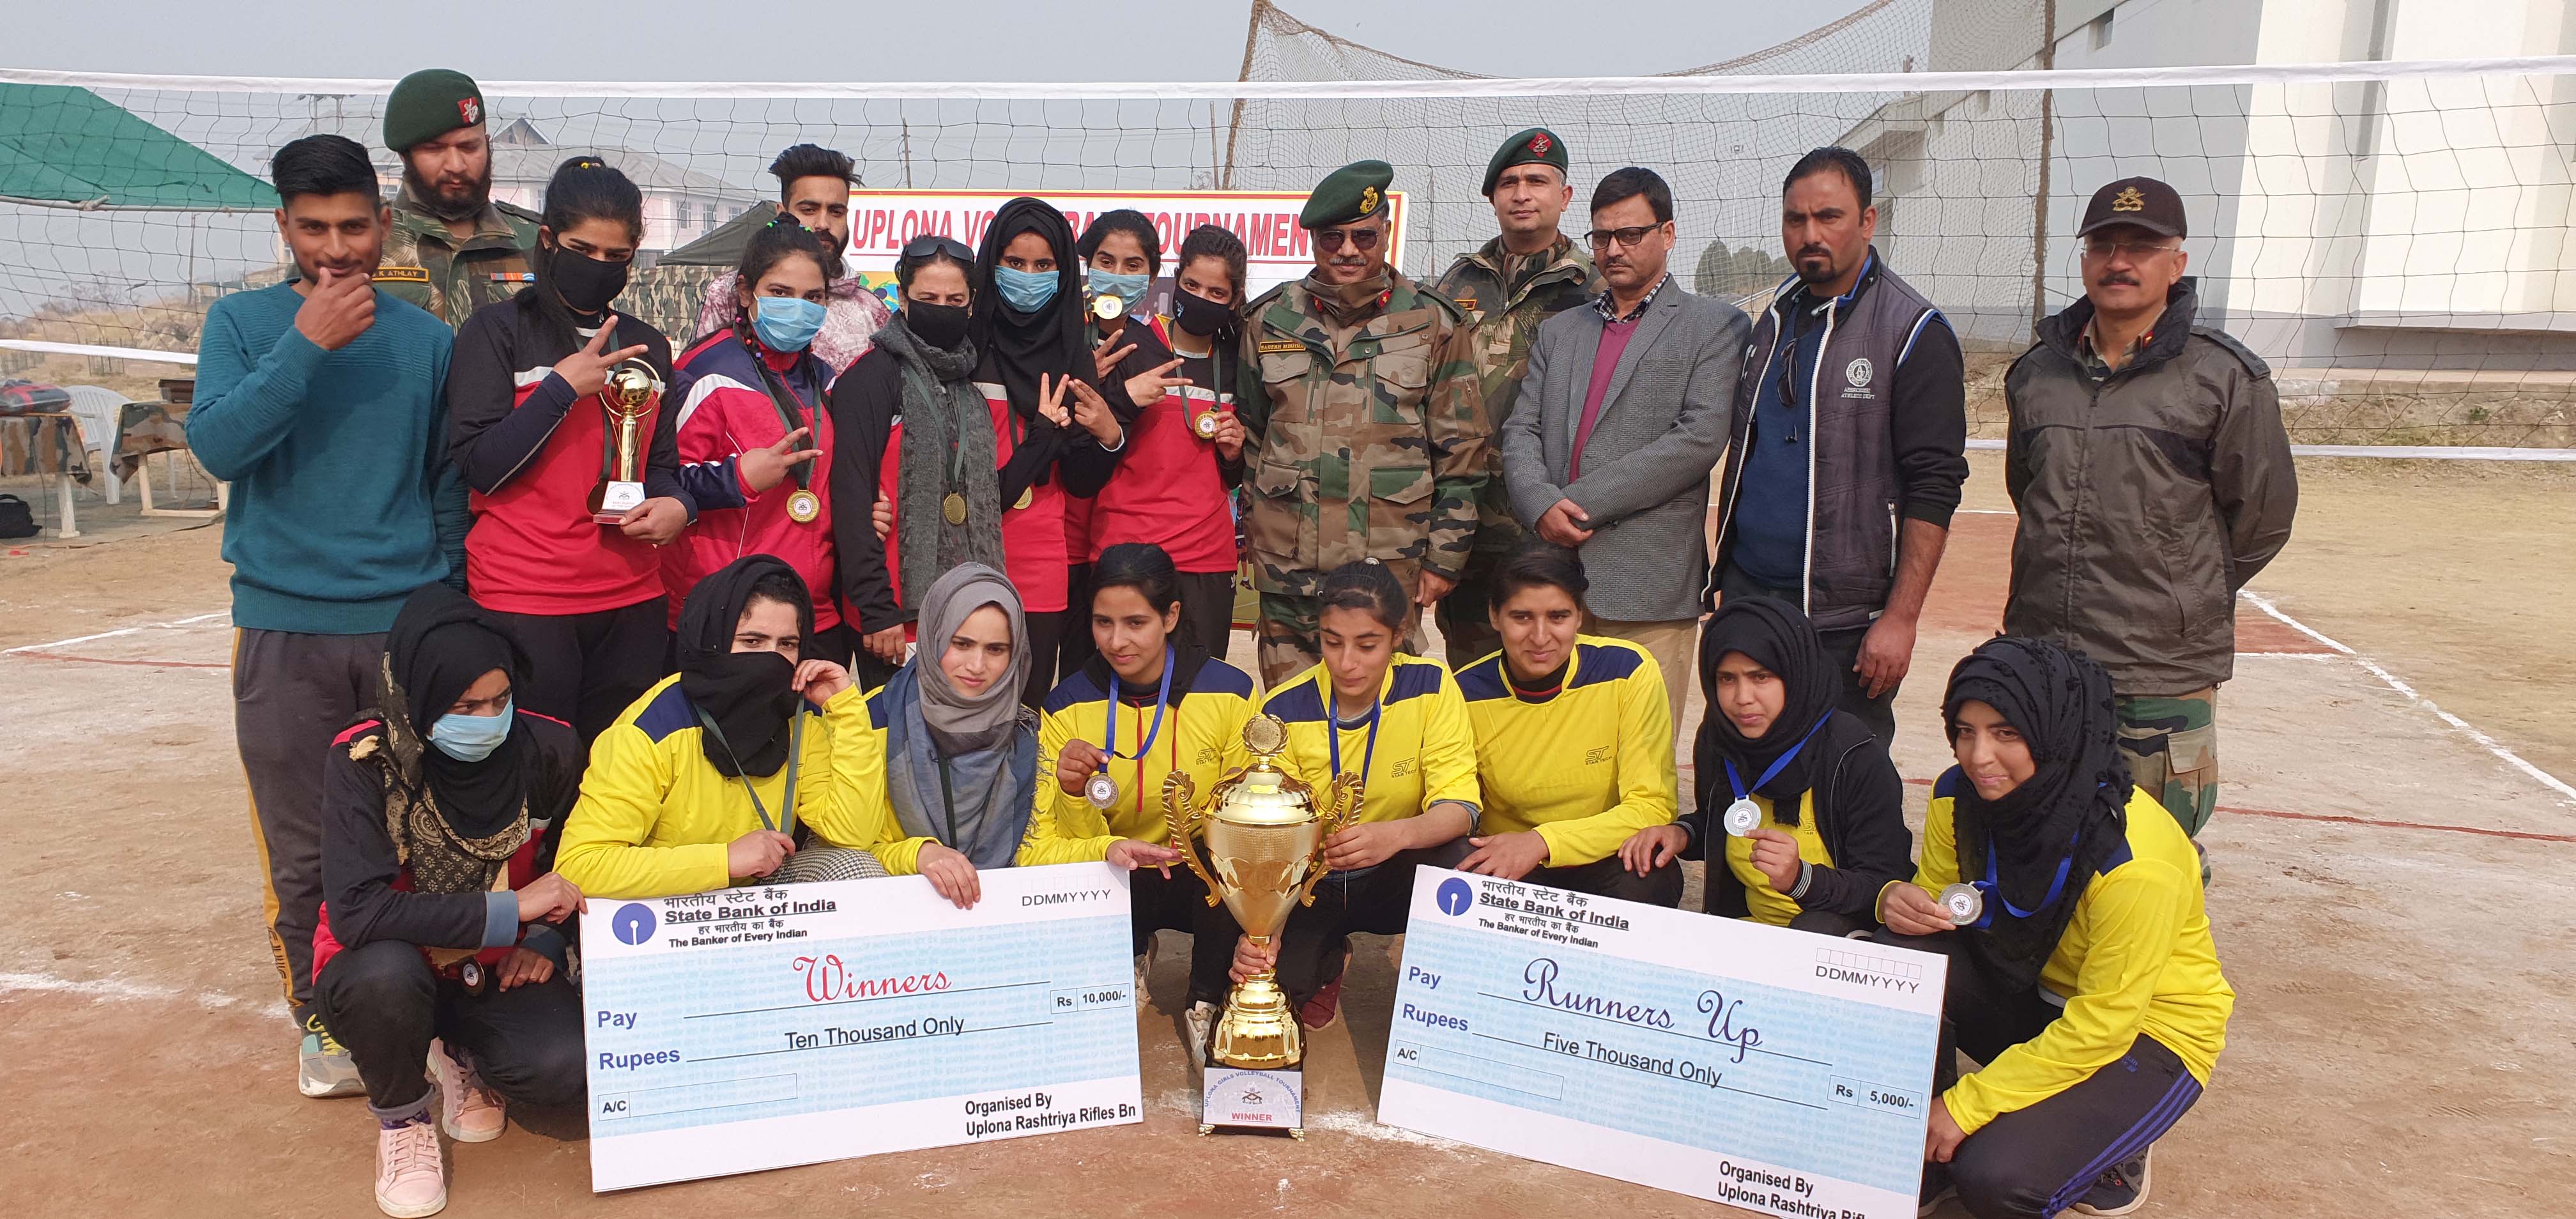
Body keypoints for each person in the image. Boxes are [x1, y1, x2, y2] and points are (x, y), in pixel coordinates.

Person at [188, 132, 468, 1098]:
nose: (337, 249)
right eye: (314, 229)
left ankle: (427, 1015)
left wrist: (444, 611)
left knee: (423, 839)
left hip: (401, 630)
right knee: (303, 845)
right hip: (283, 630)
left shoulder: (429, 340)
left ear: (386, 225)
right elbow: (219, 448)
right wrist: (304, 346)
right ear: (284, 227)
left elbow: (446, 488)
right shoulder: (240, 324)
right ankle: (325, 1022)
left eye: (354, 226)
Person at [1877, 638, 2232, 1219]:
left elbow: (2104, 1025)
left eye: (2007, 734)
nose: (1978, 756)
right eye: (1965, 731)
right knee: (1899, 956)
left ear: (2057, 729)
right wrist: (1901, 901)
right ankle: (1932, 1143)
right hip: (2033, 989)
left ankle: (2108, 1146)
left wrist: (1968, 1104)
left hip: (2145, 1032)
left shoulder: (2134, 860)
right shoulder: (1956, 796)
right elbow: (1941, 904)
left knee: (1995, 1178)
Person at [2004, 176, 2297, 849]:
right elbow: (2031, 494)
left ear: (2177, 262)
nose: (2119, 262)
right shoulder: (2037, 375)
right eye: (2103, 245)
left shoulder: (2224, 379)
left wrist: (2179, 594)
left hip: (2158, 673)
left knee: (2156, 855)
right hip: (2047, 658)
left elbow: (2263, 517)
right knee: (2044, 844)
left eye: (2141, 246)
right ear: (2084, 260)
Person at [311, 585, 586, 1217]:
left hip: (496, 965)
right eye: (465, 705)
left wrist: (545, 938)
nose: (487, 719)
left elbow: (573, 865)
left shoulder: (549, 749)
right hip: (388, 962)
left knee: (560, 1068)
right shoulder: (364, 759)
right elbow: (358, 910)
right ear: (419, 697)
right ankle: (404, 1118)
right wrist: (511, 911)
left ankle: (461, 1052)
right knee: (383, 978)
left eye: (500, 700)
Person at [447, 157, 731, 744]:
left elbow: (661, 468)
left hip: (633, 599)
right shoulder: (496, 333)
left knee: (617, 777)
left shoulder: (648, 345)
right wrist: (558, 390)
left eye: (616, 257)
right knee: (540, 775)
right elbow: (479, 465)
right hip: (526, 597)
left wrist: (679, 507)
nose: (599, 267)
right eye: (583, 249)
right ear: (547, 240)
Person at [1707, 146, 1968, 748]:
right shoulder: (1772, 320)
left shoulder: (1913, 332)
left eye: (1829, 217)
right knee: (1745, 761)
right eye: (1796, 220)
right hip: (1752, 595)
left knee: (1843, 774)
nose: (1810, 234)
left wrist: (1900, 620)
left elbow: (1934, 486)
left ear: (1868, 222)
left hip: (1846, 621)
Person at [1498, 166, 1745, 723]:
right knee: (1553, 752)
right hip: (1553, 588)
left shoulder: (1715, 326)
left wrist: (1575, 505)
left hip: (1648, 586)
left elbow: (1699, 438)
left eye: (1630, 234)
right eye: (1602, 236)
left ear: (1669, 233)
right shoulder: (1562, 330)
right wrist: (1540, 504)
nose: (1613, 249)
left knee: (1642, 761)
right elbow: (1521, 430)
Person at [1238, 160, 1488, 684]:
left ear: (1386, 234)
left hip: (1387, 571)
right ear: (1312, 240)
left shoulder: (1433, 323)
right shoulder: (1271, 319)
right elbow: (1255, 441)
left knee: (1386, 730)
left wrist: (1444, 559)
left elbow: (1462, 454)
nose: (1348, 250)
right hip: (1290, 577)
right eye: (1333, 238)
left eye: (1363, 236)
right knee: (1291, 725)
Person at [1226, 560, 1479, 1029]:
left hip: (1396, 870)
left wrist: (1394, 835)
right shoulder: (1283, 708)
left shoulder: (1432, 686)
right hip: (1312, 882)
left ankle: (1452, 993)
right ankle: (1325, 961)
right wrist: (1265, 932)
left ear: (1398, 635)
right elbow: (1275, 842)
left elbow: (1460, 808)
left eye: (1367, 645)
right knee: (1274, 993)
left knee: (1460, 858)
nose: (1347, 663)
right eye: (1332, 642)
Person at [554, 556, 894, 898]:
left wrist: (846, 710)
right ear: (712, 640)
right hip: (665, 897)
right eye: (752, 642)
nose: (771, 659)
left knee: (857, 867)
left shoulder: (800, 716)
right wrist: (724, 861)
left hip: (760, 890)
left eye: (786, 645)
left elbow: (852, 834)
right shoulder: (650, 729)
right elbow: (581, 866)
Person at [1018, 542, 1249, 1000]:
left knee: (1236, 867)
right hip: (1115, 865)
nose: (1116, 641)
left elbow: (1243, 819)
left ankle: (1207, 1001)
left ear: (1171, 616)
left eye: (1135, 623)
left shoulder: (1230, 692)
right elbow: (1058, 841)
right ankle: (1131, 949)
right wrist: (1072, 791)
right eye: (1103, 622)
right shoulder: (1065, 706)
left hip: (1201, 868)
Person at [1621, 597, 1911, 935]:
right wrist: (1682, 833)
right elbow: (1724, 824)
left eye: (1761, 677)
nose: (1742, 697)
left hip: (1835, 941)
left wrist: (1803, 880)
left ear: (1795, 672)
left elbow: (1887, 885)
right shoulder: (1721, 738)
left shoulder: (1855, 755)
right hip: (1748, 934)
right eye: (1727, 679)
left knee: (1814, 928)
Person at [1432, 128, 1606, 667]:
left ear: (1565, 195)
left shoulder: (1595, 284)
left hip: (1552, 521)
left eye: (1537, 180)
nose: (1522, 194)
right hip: (1468, 522)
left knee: (1552, 672)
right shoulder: (1458, 281)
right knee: (1474, 673)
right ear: (1492, 198)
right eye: (1509, 183)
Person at [1450, 546, 1680, 905]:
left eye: (1558, 617)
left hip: (1604, 849)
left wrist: (1544, 842)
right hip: (1510, 858)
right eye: (1522, 617)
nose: (1541, 638)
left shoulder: (1628, 670)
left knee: (1652, 868)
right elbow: (1459, 805)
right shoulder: (1464, 692)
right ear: (1495, 616)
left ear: (1579, 616)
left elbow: (1652, 806)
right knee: (1452, 864)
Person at [968, 199, 1128, 700]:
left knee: (1026, 715)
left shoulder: (1069, 351)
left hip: (1040, 562)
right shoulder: (965, 348)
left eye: (1043, 267)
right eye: (1015, 264)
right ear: (991, 264)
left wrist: (1108, 436)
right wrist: (1042, 438)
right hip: (968, 556)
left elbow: (1079, 479)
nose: (1028, 276)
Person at [668, 220, 845, 660]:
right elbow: (663, 482)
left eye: (813, 298)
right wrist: (737, 478)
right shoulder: (706, 371)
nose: (798, 308)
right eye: (781, 293)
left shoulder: (825, 377)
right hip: (730, 613)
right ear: (747, 293)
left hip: (813, 612)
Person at [1085, 224, 1252, 654]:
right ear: (1174, 281)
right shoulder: (1130, 345)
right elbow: (1089, 452)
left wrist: (1235, 454)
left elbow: (1232, 475)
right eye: (1191, 284)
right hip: (1127, 551)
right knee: (1118, 698)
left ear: (1235, 299)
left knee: (1199, 699)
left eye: (1216, 293)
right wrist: (1123, 399)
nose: (1200, 298)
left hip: (1205, 558)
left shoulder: (1237, 363)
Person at [827, 234, 979, 683]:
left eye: (955, 299)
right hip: (893, 612)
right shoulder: (872, 377)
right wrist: (876, 610)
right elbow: (852, 496)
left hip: (961, 606)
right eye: (928, 297)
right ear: (903, 298)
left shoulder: (968, 377)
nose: (942, 307)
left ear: (972, 305)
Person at [861, 563, 1045, 909]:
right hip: (892, 913)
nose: (976, 666)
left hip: (995, 915)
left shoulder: (1025, 732)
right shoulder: (872, 720)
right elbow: (850, 848)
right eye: (961, 644)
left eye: (996, 649)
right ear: (934, 637)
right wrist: (919, 855)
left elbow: (1042, 848)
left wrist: (1106, 846)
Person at [1062, 209, 1193, 679]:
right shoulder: (1055, 334)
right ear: (1086, 264)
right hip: (1043, 536)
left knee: (1097, 674)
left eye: (1133, 265)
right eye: (1106, 261)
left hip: (1102, 545)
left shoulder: (1154, 352)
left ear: (1153, 276)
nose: (1117, 276)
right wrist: (1094, 385)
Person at [692, 143, 890, 374]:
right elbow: (702, 374)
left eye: (836, 212)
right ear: (782, 213)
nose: (823, 224)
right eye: (809, 210)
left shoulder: (869, 309)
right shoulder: (728, 292)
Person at [375, 68, 540, 329]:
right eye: (434, 149)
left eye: (469, 147)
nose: (456, 165)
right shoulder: (361, 241)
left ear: (487, 144)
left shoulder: (539, 243)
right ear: (405, 156)